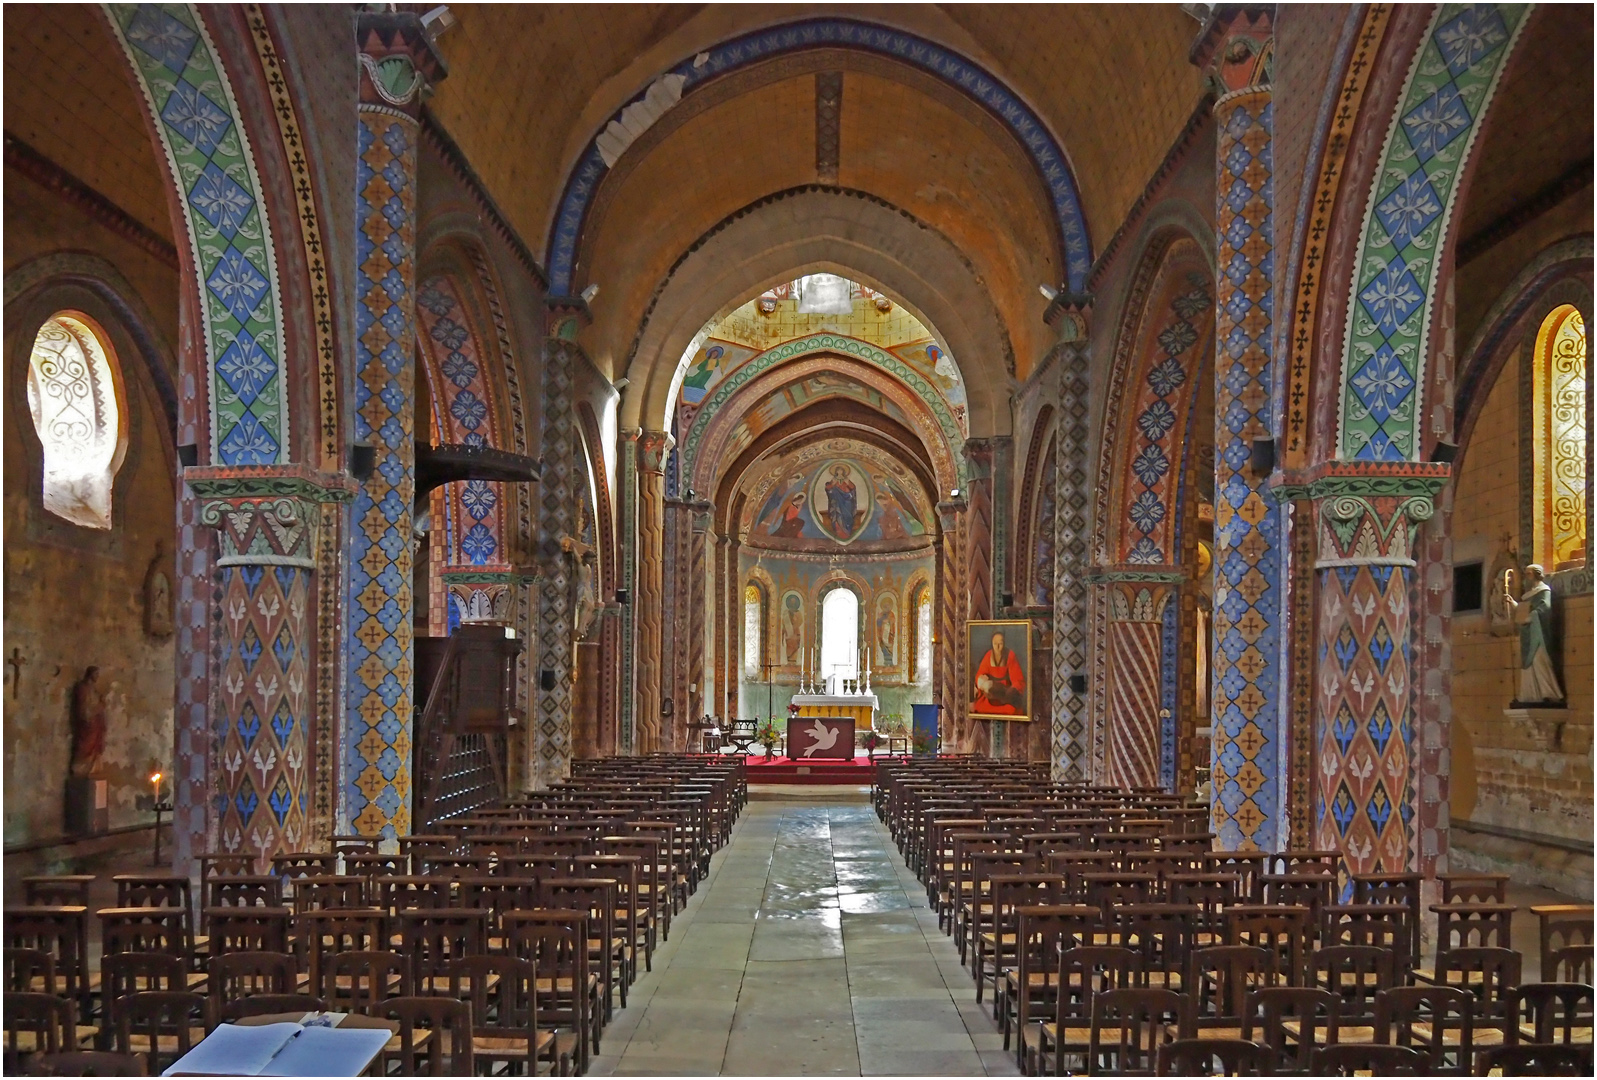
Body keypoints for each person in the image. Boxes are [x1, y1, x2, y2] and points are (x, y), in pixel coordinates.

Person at [1504, 564, 1564, 703]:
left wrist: (1531, 616)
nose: (1527, 577)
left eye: (1529, 574)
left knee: (1539, 660)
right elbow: (1524, 609)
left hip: (1539, 633)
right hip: (1528, 633)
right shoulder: (1529, 595)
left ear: (1537, 574)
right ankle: (1529, 695)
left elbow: (1545, 608)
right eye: (1526, 574)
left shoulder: (1544, 591)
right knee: (1528, 664)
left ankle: (1549, 693)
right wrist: (1514, 604)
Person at [973, 630, 1026, 715]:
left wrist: (1008, 693)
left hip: (1006, 694)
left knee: (1012, 710)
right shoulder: (988, 655)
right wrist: (982, 682)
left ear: (1004, 643)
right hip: (989, 695)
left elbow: (1018, 680)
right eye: (995, 644)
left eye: (1000, 644)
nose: (997, 647)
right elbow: (980, 675)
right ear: (992, 644)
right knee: (980, 708)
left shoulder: (1010, 655)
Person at [70, 666, 107, 778]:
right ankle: (80, 768)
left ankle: (90, 768)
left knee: (94, 748)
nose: (97, 677)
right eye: (95, 674)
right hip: (87, 724)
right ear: (90, 674)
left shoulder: (94, 690)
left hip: (95, 724)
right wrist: (98, 707)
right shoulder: (82, 688)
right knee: (84, 746)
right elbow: (83, 709)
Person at [823, 465, 858, 540]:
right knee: (838, 516)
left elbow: (853, 488)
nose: (839, 472)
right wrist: (832, 484)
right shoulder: (834, 479)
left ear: (843, 471)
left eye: (841, 470)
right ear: (836, 472)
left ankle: (847, 532)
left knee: (848, 516)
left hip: (847, 500)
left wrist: (848, 483)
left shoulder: (846, 479)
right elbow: (828, 489)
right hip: (837, 501)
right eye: (838, 470)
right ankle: (839, 533)